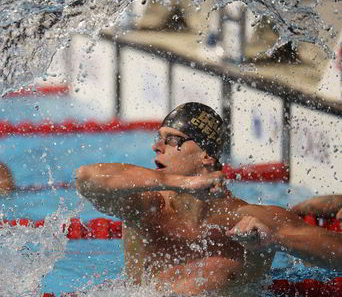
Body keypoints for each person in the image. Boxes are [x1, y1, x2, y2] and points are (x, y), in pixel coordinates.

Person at [76, 102, 342, 296]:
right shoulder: (146, 208)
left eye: (173, 140)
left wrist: (276, 240)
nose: (156, 146)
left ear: (207, 156)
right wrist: (180, 183)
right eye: (159, 138)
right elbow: (86, 178)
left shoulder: (253, 220)